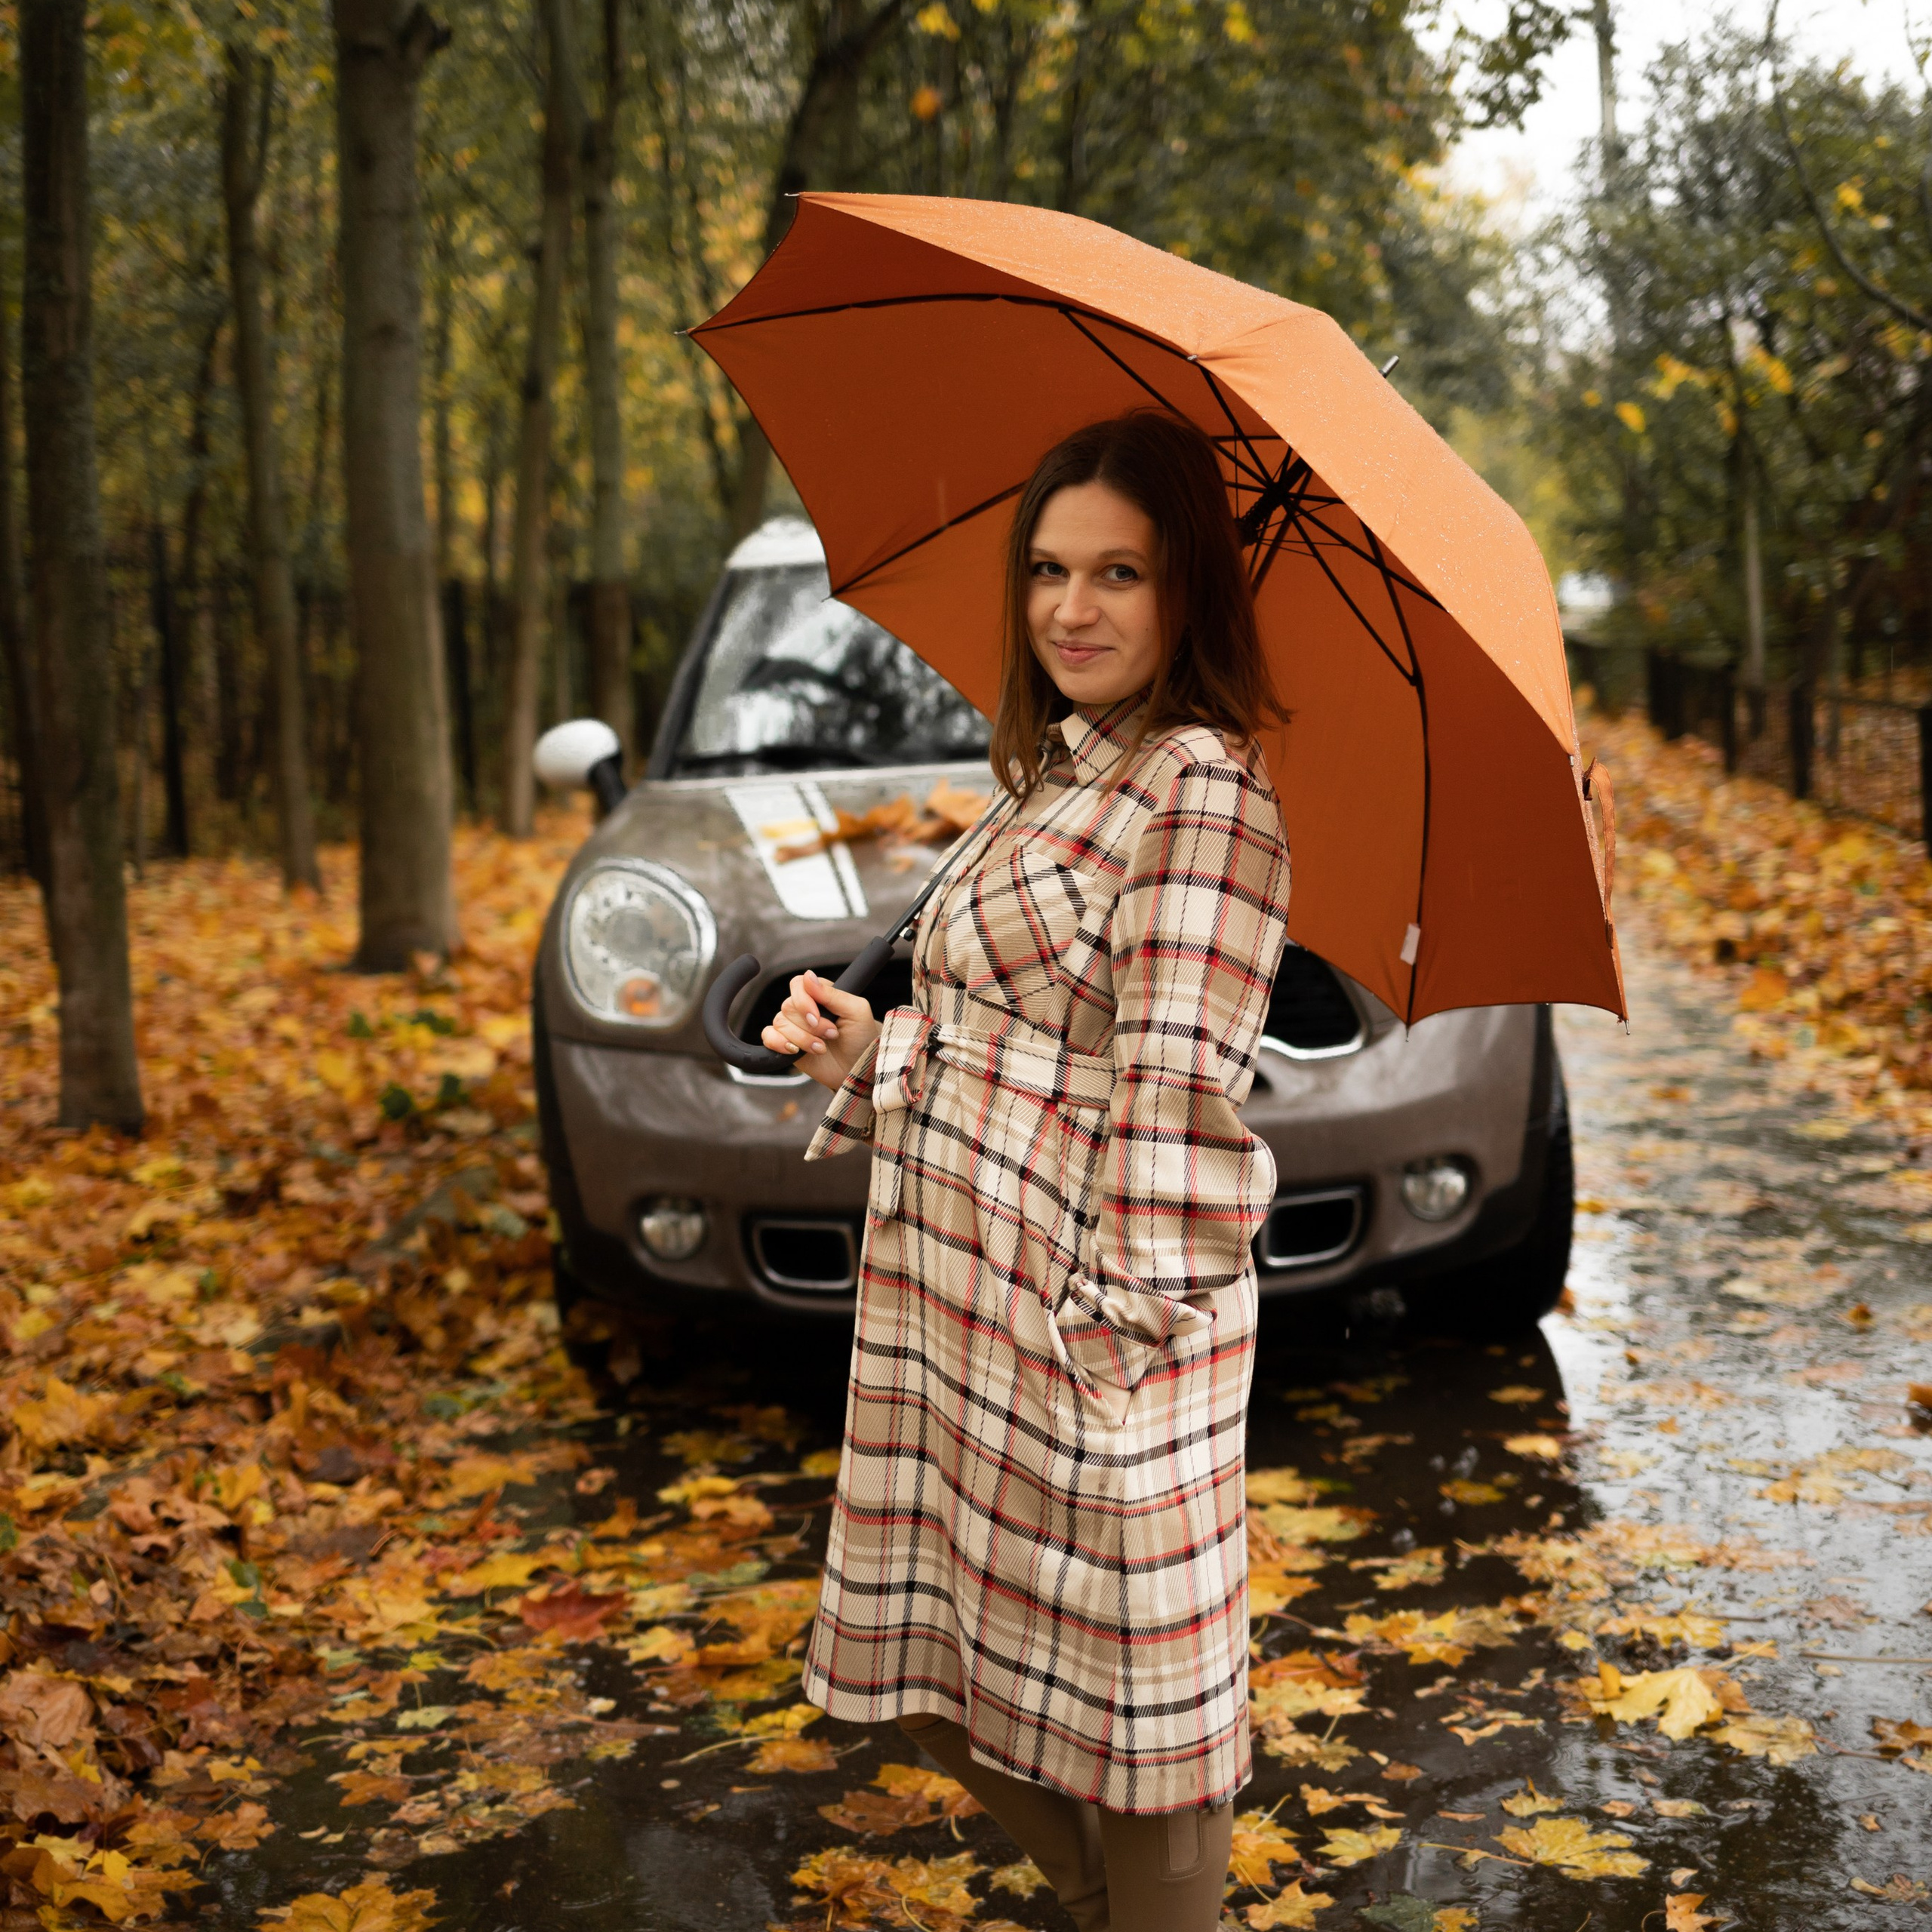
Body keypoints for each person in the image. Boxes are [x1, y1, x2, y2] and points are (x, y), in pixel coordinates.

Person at [761, 411, 1291, 1932]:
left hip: (1086, 1341)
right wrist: (871, 1051)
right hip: (954, 1315)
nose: (1071, 606)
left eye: (1118, 571)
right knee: (934, 1685)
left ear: (1188, 588)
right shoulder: (1054, 772)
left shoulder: (1195, 786)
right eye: (1050, 568)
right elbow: (1025, 1041)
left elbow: (1177, 1091)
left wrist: (1108, 1344)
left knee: (1147, 1763)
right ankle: (1100, 1900)